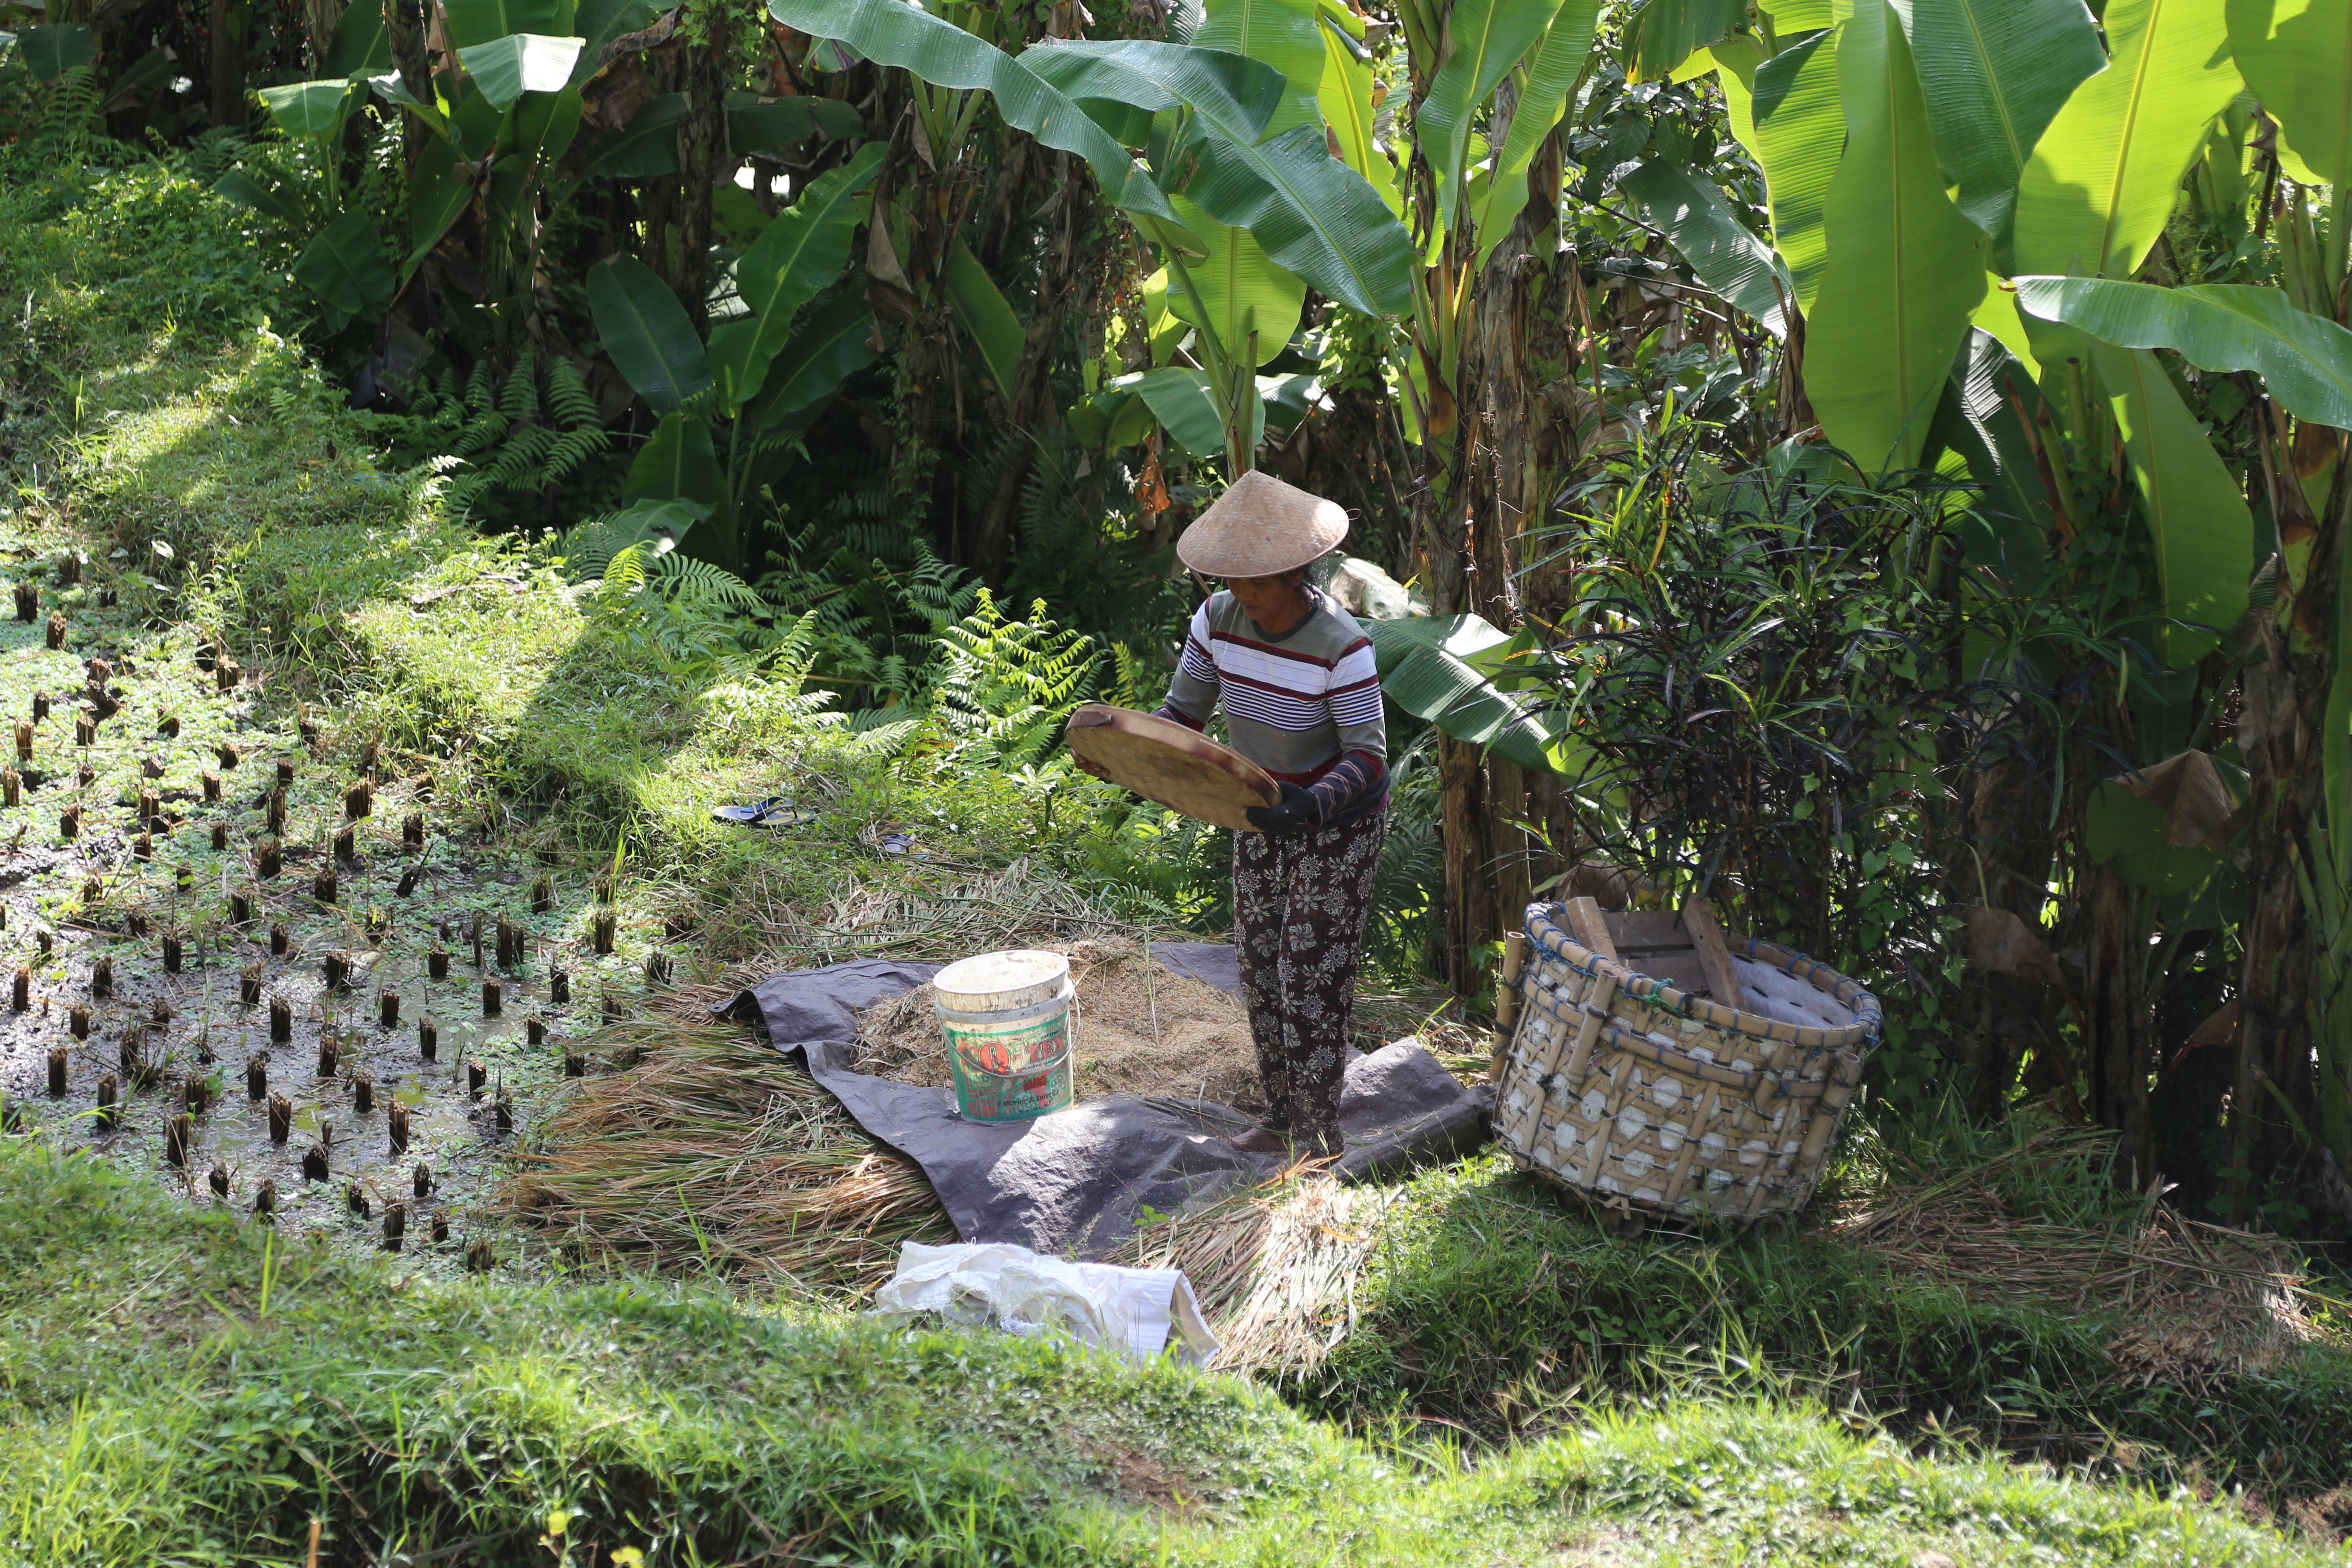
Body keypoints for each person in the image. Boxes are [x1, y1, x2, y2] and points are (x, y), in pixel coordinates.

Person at [1081, 471, 1387, 1158]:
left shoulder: (1343, 647)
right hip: (1257, 810)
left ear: (1297, 573)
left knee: (1309, 973)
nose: (1244, 595)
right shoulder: (1215, 620)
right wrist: (1126, 758)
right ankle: (1282, 1118)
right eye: (1234, 580)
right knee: (1258, 968)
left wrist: (1311, 805)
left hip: (1339, 825)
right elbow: (1180, 719)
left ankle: (1318, 1136)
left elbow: (1369, 759)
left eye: (1260, 582)